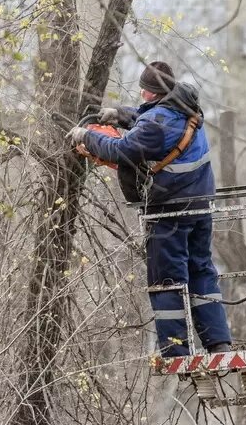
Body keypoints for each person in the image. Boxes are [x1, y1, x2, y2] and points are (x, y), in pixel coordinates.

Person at [66, 61, 231, 357]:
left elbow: (122, 150)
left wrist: (87, 136)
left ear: (149, 92)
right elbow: (153, 122)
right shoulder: (186, 108)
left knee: (167, 278)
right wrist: (119, 115)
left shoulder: (155, 124)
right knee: (201, 269)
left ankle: (176, 351)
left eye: (143, 90)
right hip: (200, 205)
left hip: (169, 210)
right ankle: (218, 342)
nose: (141, 94)